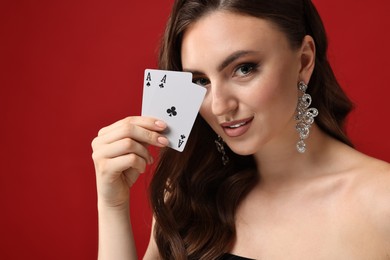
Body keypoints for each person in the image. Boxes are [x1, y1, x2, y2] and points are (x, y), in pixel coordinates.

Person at [91, 0, 390, 259]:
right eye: (200, 81)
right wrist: (112, 205)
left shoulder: (382, 202)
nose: (219, 106)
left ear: (303, 61)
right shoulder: (189, 192)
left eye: (244, 69)